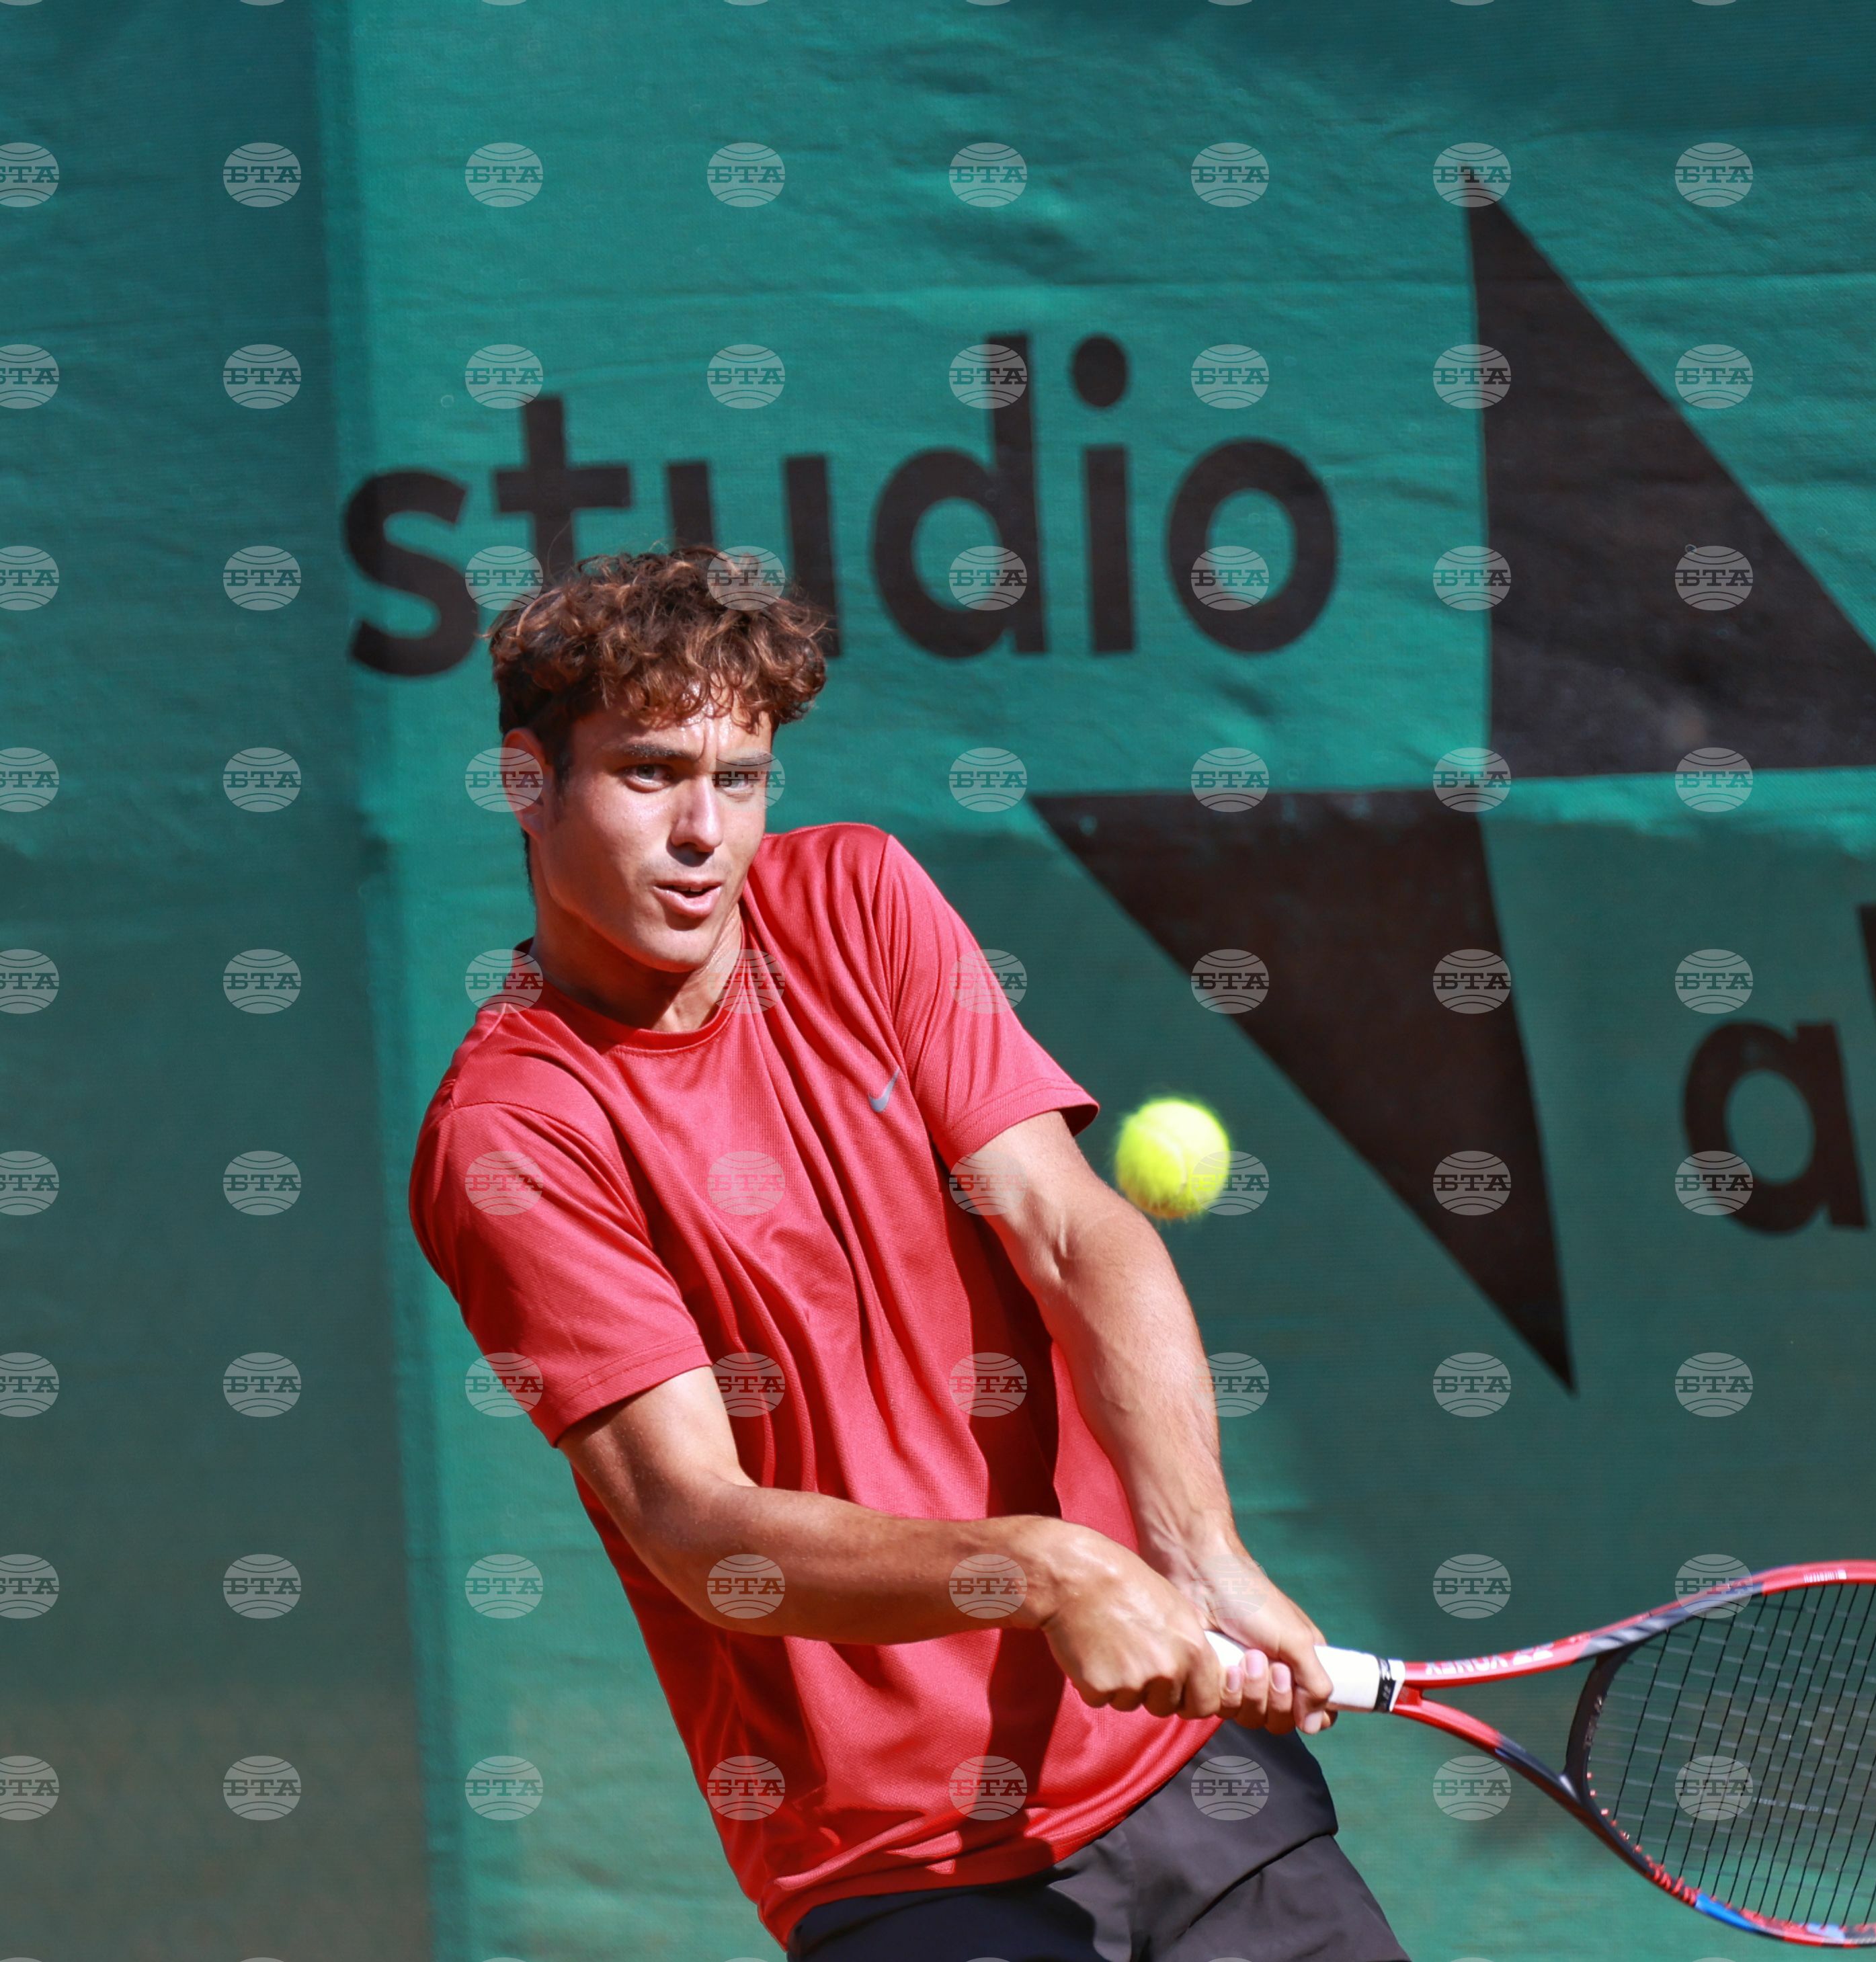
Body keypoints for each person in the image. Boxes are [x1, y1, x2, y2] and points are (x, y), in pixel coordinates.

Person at [408, 549, 1406, 1962]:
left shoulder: (859, 897)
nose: (703, 833)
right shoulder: (513, 1131)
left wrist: (1197, 1547)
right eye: (648, 774)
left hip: (1196, 1786)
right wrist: (1041, 1569)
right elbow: (697, 1524)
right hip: (904, 1866)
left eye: (739, 778)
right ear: (528, 781)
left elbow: (1071, 1228)